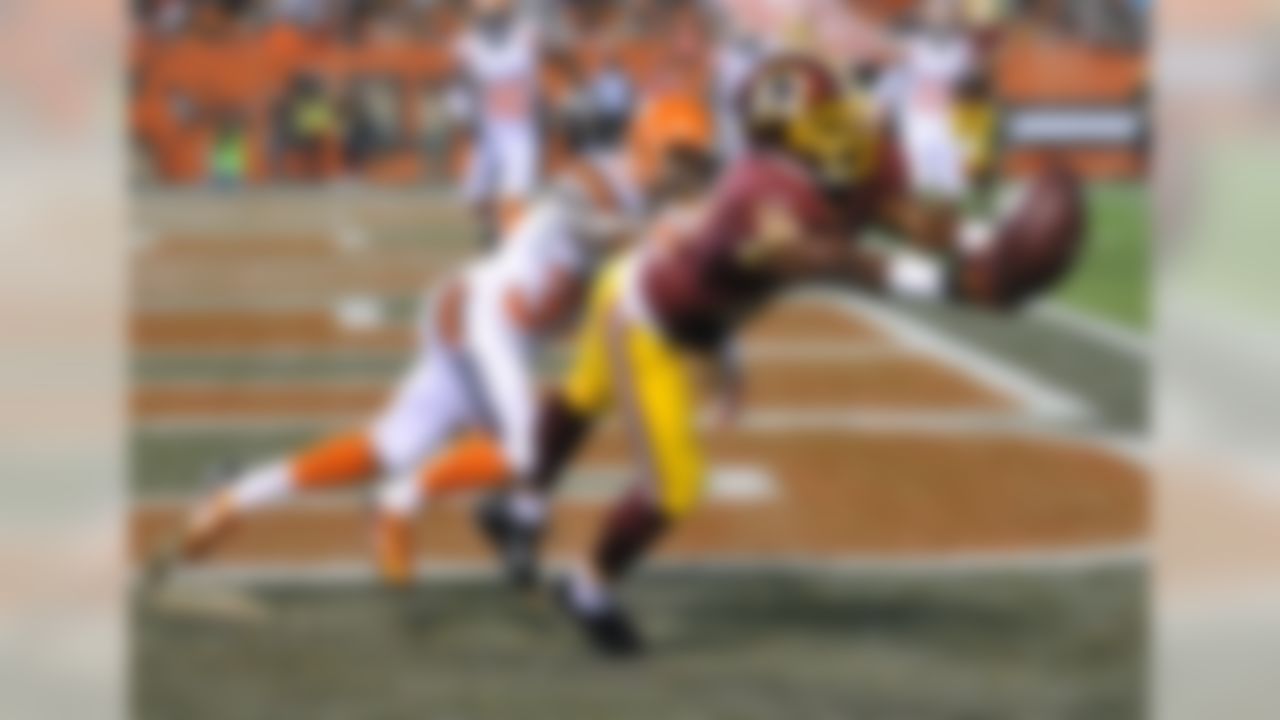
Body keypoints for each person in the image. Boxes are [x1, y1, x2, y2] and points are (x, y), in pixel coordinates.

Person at [432, 54, 1083, 655]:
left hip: (650, 280)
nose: (844, 131)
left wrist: (984, 237)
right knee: (673, 486)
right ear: (778, 145)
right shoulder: (758, 197)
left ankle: (517, 510)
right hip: (651, 321)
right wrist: (962, 285)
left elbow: (909, 218)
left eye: (838, 114)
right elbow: (844, 264)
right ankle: (589, 587)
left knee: (581, 397)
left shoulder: (854, 156)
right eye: (821, 125)